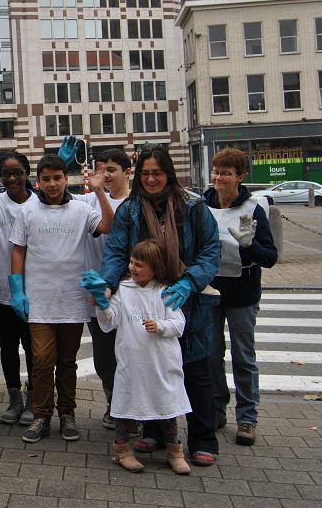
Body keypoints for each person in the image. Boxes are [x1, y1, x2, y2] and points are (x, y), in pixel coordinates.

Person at [101, 145, 221, 466]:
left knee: (195, 370)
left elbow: (210, 250)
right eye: (145, 173)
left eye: (157, 172)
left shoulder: (194, 207)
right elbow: (115, 251)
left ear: (169, 172)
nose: (151, 179)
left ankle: (202, 438)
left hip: (188, 297)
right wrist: (108, 283)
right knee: (150, 368)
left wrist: (189, 281)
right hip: (146, 295)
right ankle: (154, 431)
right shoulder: (130, 210)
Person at [8, 154, 114, 443]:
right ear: (38, 182)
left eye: (58, 178)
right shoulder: (27, 211)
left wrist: (100, 191)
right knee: (41, 359)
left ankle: (67, 412)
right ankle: (42, 415)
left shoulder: (81, 209)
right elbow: (17, 249)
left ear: (67, 179)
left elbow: (107, 225)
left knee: (67, 361)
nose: (52, 184)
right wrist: (16, 289)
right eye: (46, 179)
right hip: (40, 300)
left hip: (72, 299)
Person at [84, 240, 191, 475]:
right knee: (125, 406)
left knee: (167, 407)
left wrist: (160, 325)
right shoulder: (123, 290)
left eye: (139, 265)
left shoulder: (165, 292)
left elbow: (179, 324)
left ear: (155, 267)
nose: (133, 268)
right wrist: (102, 304)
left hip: (161, 364)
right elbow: (110, 321)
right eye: (131, 262)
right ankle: (122, 449)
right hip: (131, 364)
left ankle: (174, 451)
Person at [204, 148, 278, 446]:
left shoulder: (253, 208)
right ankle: (217, 408)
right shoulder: (203, 205)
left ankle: (247, 418)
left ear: (240, 177)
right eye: (216, 171)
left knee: (243, 357)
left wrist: (250, 246)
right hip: (210, 291)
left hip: (242, 293)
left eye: (226, 173)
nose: (219, 178)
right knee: (210, 355)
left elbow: (270, 257)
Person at [67, 145, 133, 430]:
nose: (104, 176)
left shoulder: (136, 203)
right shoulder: (88, 201)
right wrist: (66, 165)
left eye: (111, 170)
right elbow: (51, 198)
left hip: (129, 290)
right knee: (105, 357)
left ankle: (132, 409)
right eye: (100, 169)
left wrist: (98, 194)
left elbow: (113, 226)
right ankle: (113, 404)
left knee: (131, 354)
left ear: (127, 172)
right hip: (98, 292)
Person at [0, 152, 36, 426]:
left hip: (34, 291)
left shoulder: (39, 203)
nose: (13, 178)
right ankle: (14, 397)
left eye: (18, 172)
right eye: (7, 172)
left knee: (33, 346)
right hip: (1, 289)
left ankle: (32, 398)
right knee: (7, 345)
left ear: (27, 173)